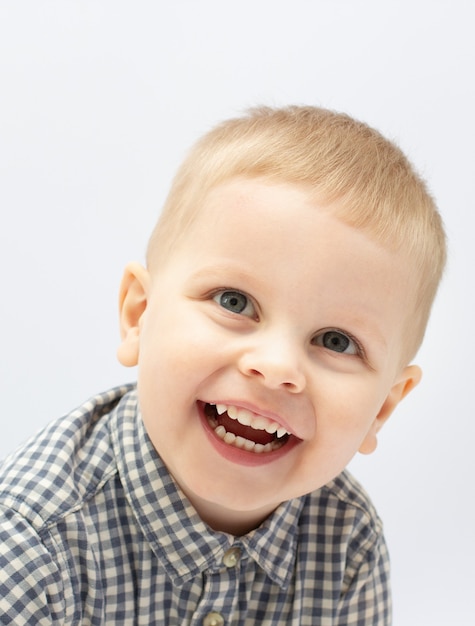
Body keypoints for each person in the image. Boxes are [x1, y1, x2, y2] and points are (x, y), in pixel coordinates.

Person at [0, 106, 446, 625]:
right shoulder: (31, 546)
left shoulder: (347, 543)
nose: (277, 366)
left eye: (335, 341)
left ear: (383, 409)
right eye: (234, 301)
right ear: (139, 314)